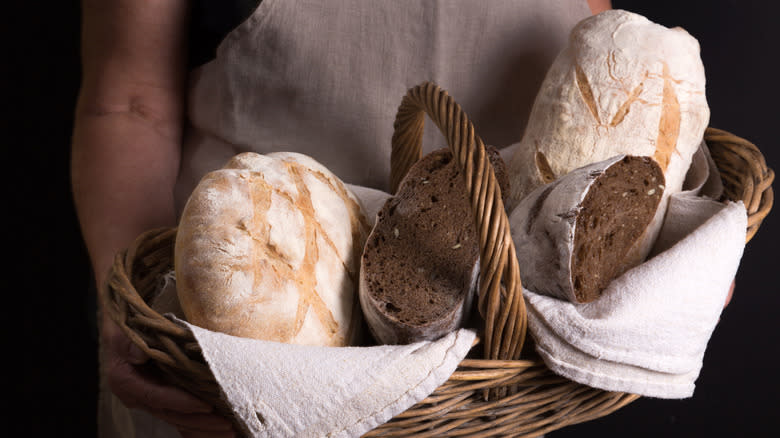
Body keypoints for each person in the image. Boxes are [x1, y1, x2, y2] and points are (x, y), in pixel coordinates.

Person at [72, 1, 733, 437]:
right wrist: (126, 311)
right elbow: (128, 103)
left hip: (501, 388)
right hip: (234, 375)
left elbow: (617, 76)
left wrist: (672, 268)